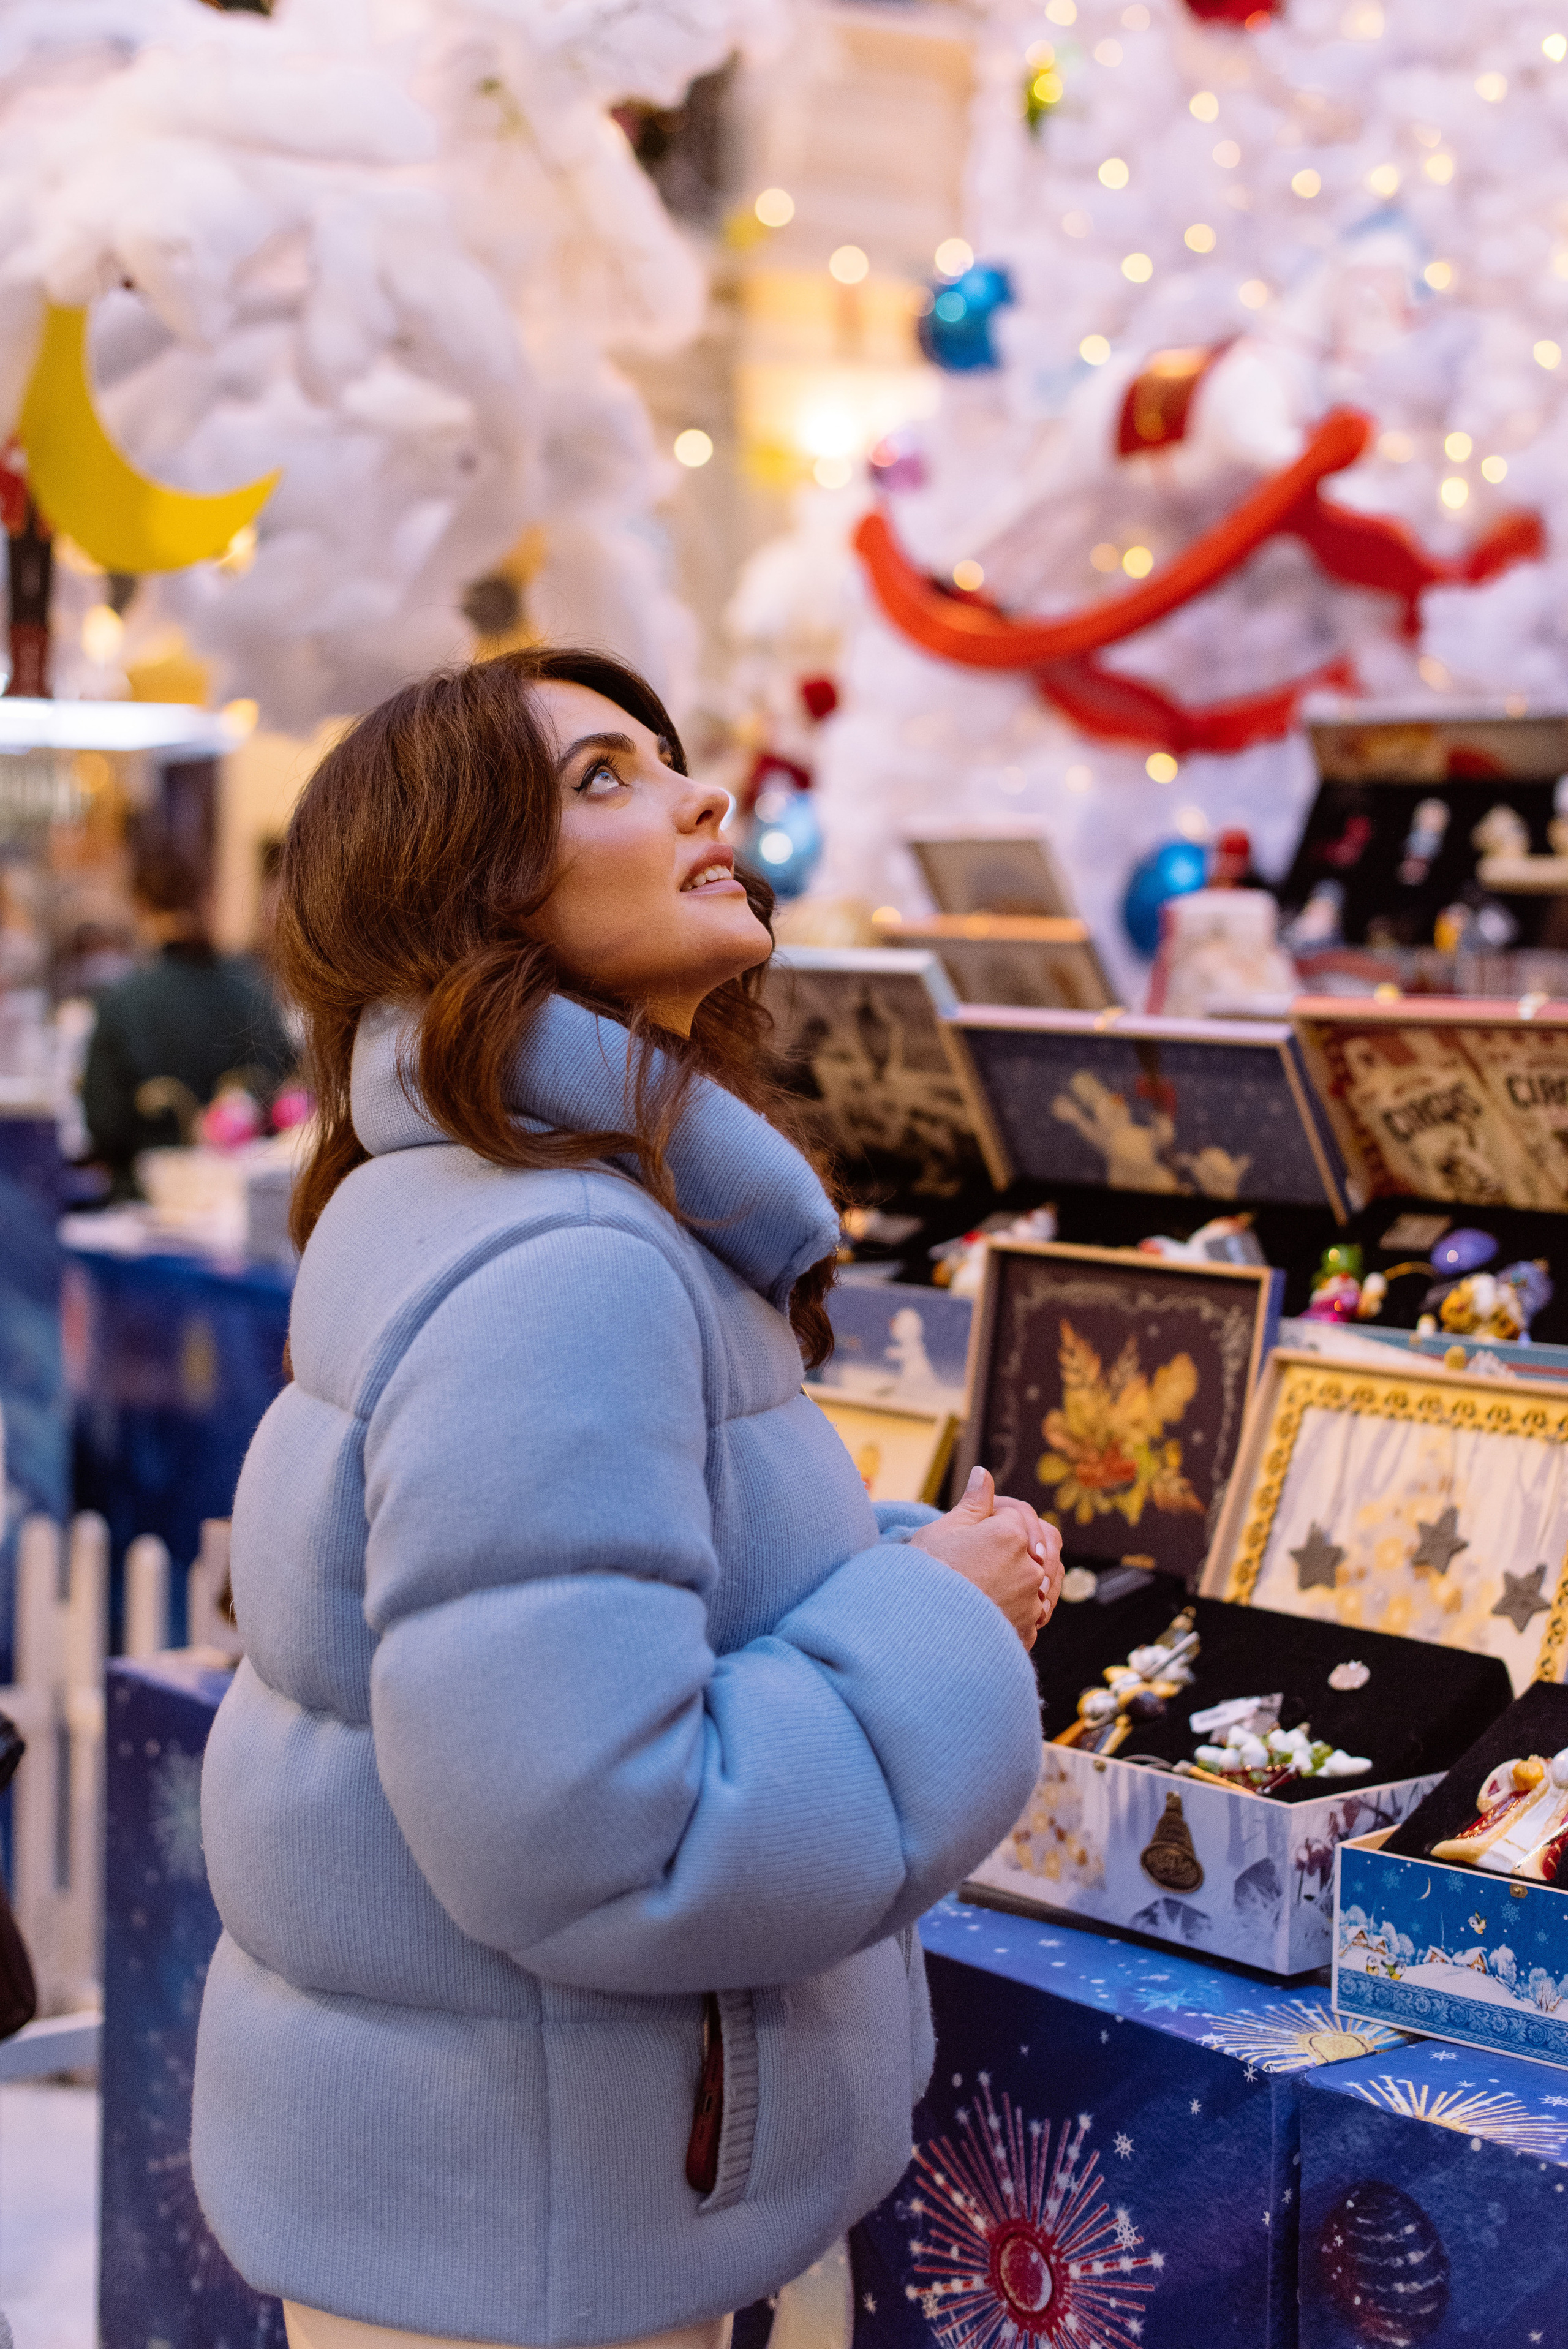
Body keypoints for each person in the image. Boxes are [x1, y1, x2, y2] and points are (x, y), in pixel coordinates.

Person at [192, 647, 1061, 2349]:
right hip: (546, 2248)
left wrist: (887, 1566)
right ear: (469, 890)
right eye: (602, 778)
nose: (700, 796)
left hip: (517, 2206)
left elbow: (580, 1625)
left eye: (666, 759)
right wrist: (942, 1621)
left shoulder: (511, 1203)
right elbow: (606, 1835)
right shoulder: (566, 1263)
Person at [80, 844, 295, 1187]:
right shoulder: (252, 989)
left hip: (148, 1201)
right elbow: (283, 1095)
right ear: (206, 899)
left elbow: (106, 1128)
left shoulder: (120, 1003)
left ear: (139, 906)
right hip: (240, 1199)